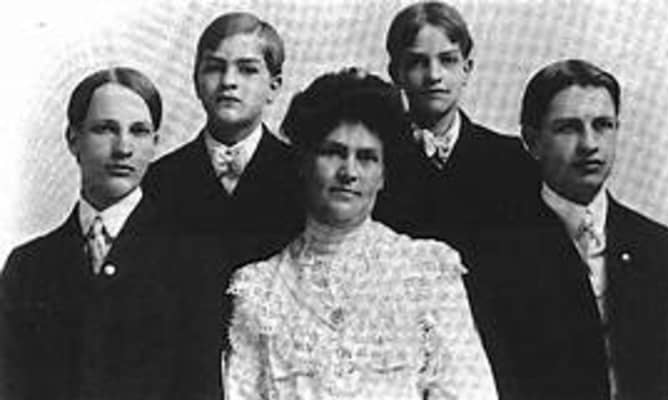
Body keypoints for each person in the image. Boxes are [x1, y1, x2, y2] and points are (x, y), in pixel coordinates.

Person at [222, 69, 497, 399]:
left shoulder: (426, 271)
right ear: (304, 163)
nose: (349, 172)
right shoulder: (259, 289)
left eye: (367, 158)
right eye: (333, 153)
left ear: (383, 175)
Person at [0, 67, 222, 399]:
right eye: (105, 129)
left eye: (139, 131)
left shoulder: (192, 260)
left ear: (155, 144)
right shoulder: (28, 266)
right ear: (73, 139)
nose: (123, 148)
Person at [475, 59, 668, 399]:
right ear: (532, 141)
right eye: (568, 128)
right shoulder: (495, 256)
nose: (589, 144)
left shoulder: (661, 250)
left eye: (603, 125)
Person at [374, 0, 539, 255]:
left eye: (448, 60)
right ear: (396, 73)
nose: (434, 75)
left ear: (467, 69)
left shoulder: (510, 159)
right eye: (417, 62)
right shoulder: (375, 157)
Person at [143, 12, 303, 269]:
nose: (229, 81)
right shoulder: (158, 181)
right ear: (196, 82)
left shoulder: (303, 175)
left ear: (273, 87)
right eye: (215, 68)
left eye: (247, 70)